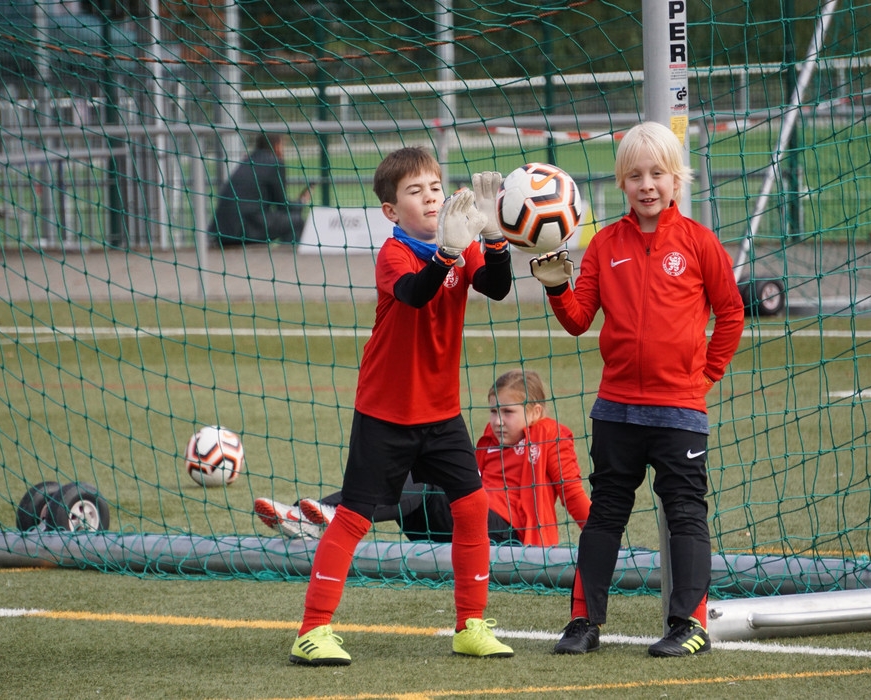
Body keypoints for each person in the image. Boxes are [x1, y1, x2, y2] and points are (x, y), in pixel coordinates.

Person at [284, 146, 514, 666]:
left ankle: (470, 625)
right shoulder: (395, 253)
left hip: (441, 414)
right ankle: (312, 631)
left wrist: (495, 237)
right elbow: (415, 293)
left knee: (472, 507)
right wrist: (448, 252)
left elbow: (497, 288)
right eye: (415, 191)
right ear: (391, 210)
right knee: (354, 517)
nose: (430, 197)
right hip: (386, 412)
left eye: (435, 187)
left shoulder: (460, 242)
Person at [529, 122, 745, 658]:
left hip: (679, 411)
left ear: (676, 180)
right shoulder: (605, 244)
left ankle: (689, 625)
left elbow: (731, 313)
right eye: (635, 176)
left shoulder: (699, 242)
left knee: (686, 512)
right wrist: (556, 287)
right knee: (605, 512)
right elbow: (579, 319)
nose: (646, 185)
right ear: (622, 183)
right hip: (616, 410)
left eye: (657, 174)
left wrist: (707, 375)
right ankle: (583, 623)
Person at [255, 369, 590, 547]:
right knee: (412, 471)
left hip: (511, 536)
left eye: (508, 412)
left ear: (535, 411)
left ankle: (326, 516)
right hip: (463, 526)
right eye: (493, 411)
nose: (498, 421)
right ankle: (311, 517)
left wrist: (602, 542)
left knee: (424, 481)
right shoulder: (487, 442)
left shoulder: (551, 434)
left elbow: (572, 494)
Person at [209, 133, 310, 246]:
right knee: (295, 221)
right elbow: (283, 206)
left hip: (222, 231)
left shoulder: (248, 160)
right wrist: (301, 202)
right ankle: (288, 256)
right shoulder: (275, 164)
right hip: (245, 229)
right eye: (283, 145)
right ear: (277, 146)